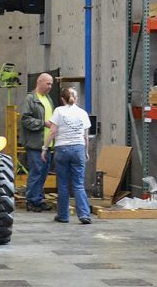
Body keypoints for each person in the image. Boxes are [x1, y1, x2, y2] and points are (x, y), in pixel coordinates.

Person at [45, 86, 93, 224]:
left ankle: (63, 215)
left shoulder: (58, 111)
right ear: (76, 98)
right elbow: (86, 137)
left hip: (62, 149)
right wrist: (86, 152)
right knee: (78, 184)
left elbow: (52, 131)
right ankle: (84, 215)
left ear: (62, 99)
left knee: (63, 184)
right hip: (78, 149)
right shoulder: (83, 113)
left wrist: (45, 148)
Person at [19, 73, 55, 212]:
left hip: (47, 144)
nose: (50, 87)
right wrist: (43, 123)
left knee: (44, 172)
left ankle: (38, 199)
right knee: (36, 172)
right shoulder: (30, 99)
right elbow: (25, 119)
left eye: (51, 84)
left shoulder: (48, 99)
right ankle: (32, 200)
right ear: (39, 82)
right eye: (48, 84)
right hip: (35, 144)